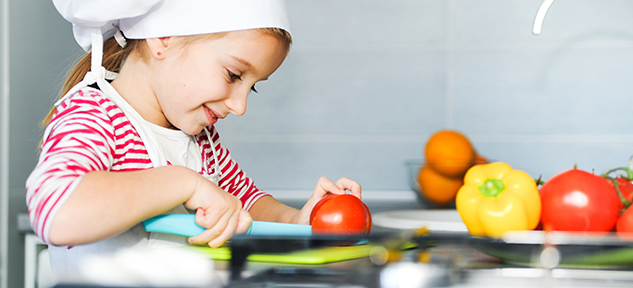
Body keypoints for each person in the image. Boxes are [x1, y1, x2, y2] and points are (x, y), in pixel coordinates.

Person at [26, 0, 362, 276]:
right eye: (233, 75)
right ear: (164, 38)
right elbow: (56, 211)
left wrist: (296, 221)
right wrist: (182, 183)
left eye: (252, 86)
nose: (240, 105)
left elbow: (246, 204)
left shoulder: (202, 141)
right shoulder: (95, 116)